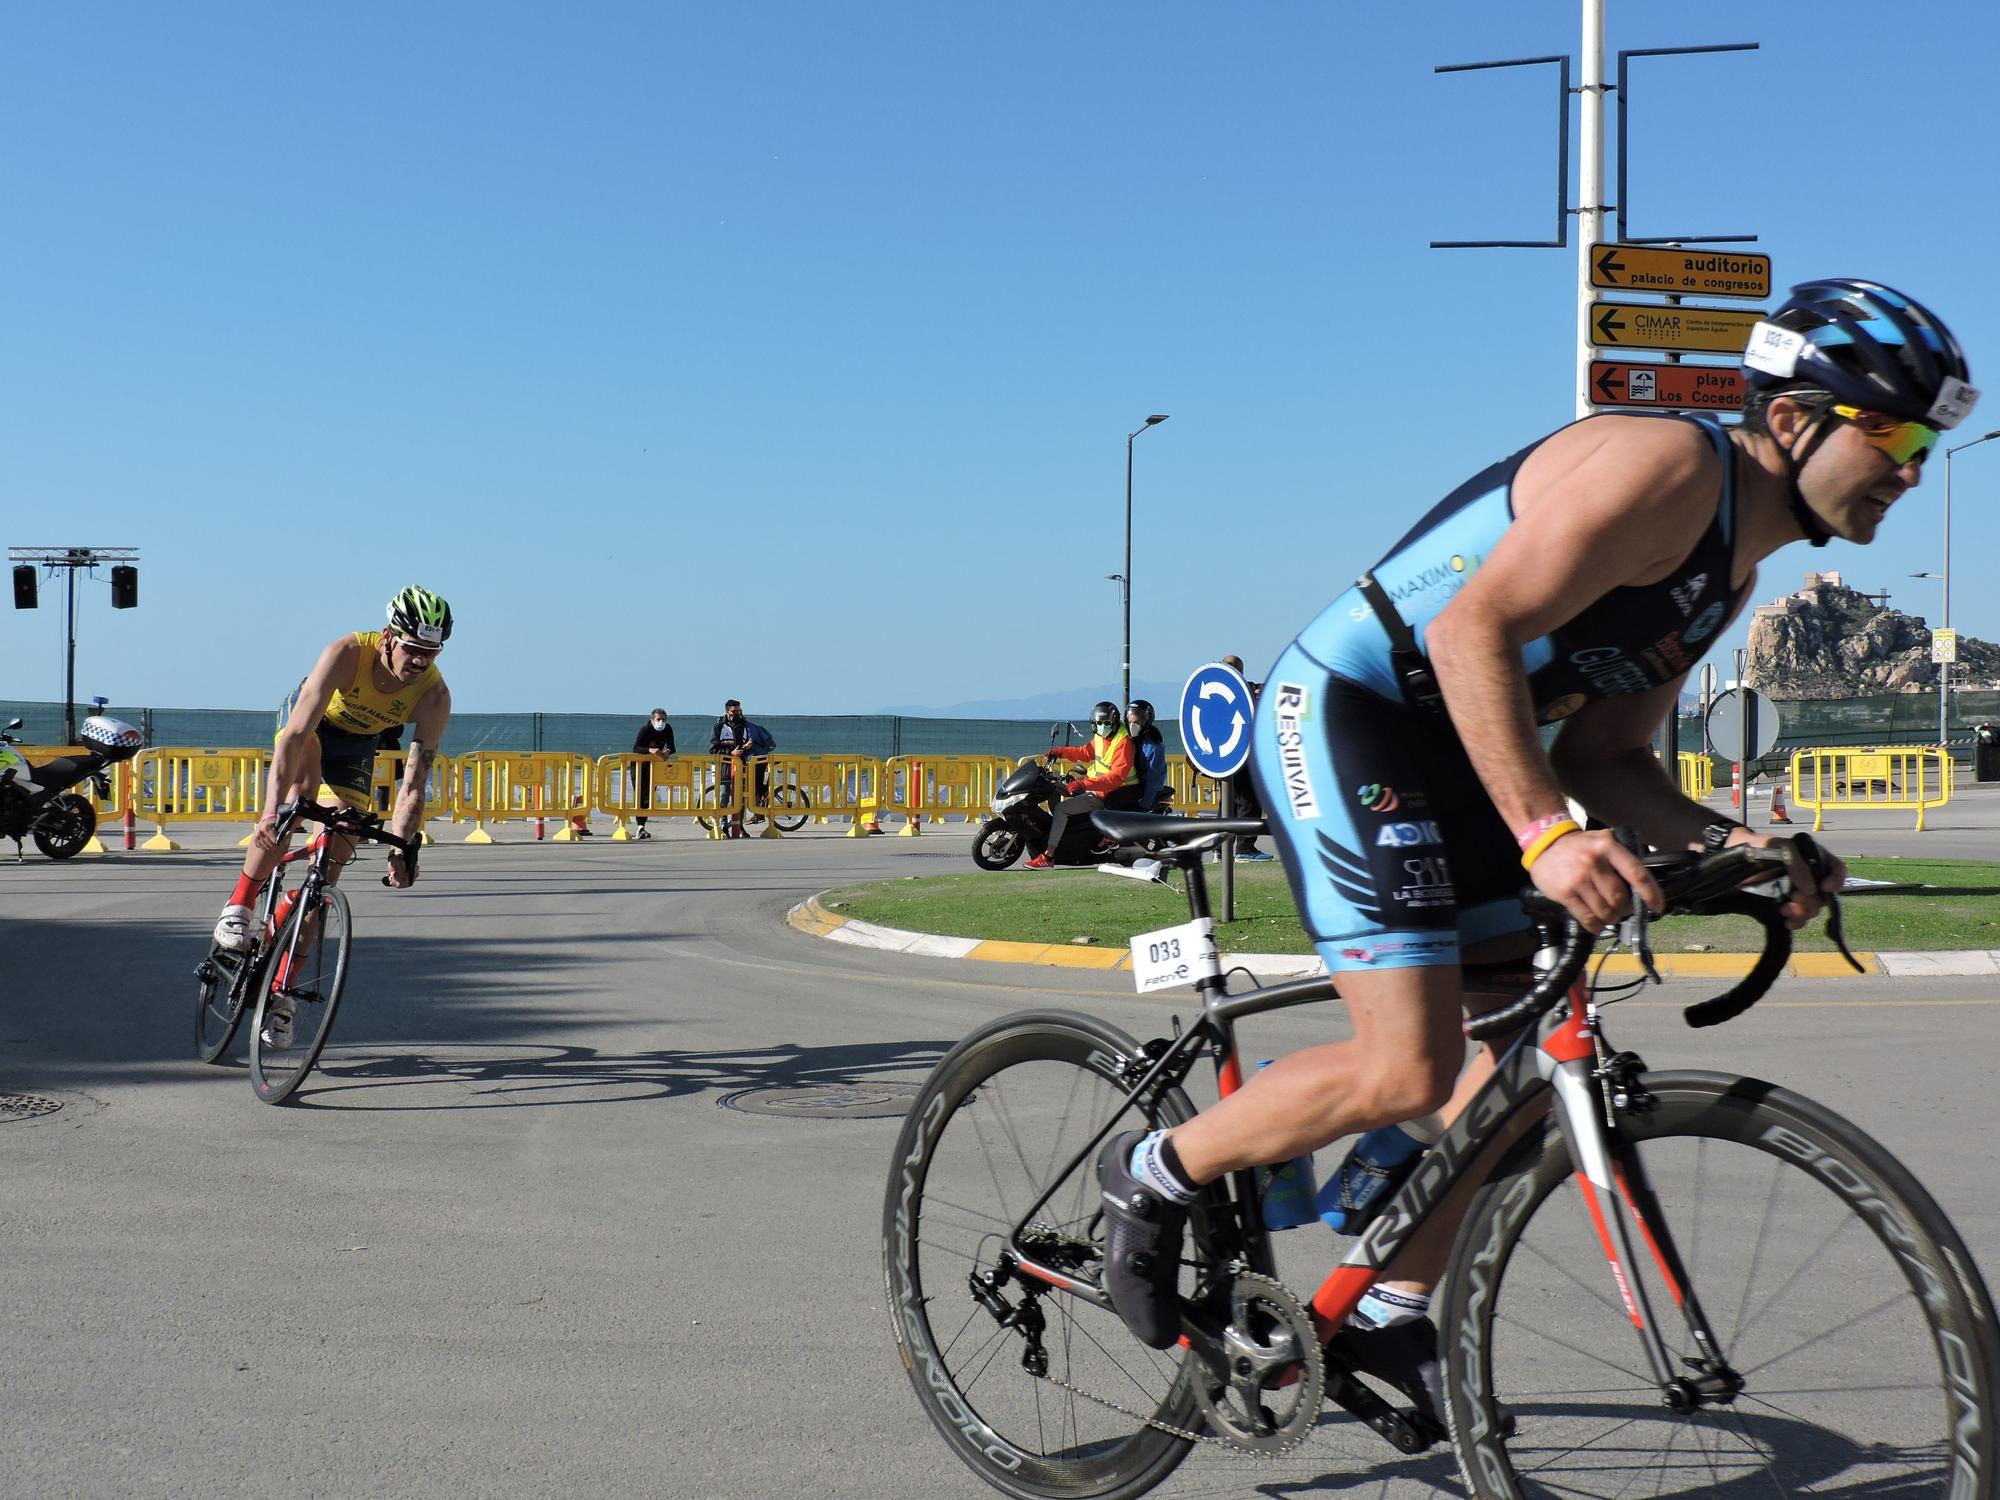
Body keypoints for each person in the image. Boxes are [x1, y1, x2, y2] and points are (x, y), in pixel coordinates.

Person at [1095, 279, 1971, 1422]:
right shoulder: (1665, 472)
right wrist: (1545, 838)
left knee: (1508, 1078)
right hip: (1353, 709)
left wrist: (1743, 844)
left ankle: (1384, 1311)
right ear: (1797, 419)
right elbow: (1469, 631)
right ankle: (1153, 1174)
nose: (1910, 471)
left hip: (1464, 747)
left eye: (1925, 447)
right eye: (1893, 436)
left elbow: (1607, 758)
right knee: (1406, 1067)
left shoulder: (1729, 573)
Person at [211, 586, 454, 1042]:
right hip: (311, 727)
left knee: (340, 849)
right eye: (413, 648)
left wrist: (402, 847)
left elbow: (415, 781)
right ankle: (240, 905)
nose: (420, 661)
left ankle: (281, 992)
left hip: (356, 746)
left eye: (431, 652)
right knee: (298, 800)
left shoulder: (434, 695)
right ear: (388, 636)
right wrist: (270, 811)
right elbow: (294, 736)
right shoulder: (346, 653)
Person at [1024, 700, 1142, 869]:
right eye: (1098, 723)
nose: (1102, 726)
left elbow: (1116, 777)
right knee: (1058, 787)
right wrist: (1060, 752)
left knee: (1062, 809)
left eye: (1106, 723)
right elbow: (1085, 752)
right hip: (1097, 787)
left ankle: (1048, 856)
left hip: (1112, 793)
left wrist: (1084, 785)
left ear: (1114, 722)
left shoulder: (1123, 743)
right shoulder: (1101, 737)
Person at [1221, 654, 1273, 859]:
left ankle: (1220, 849)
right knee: (1247, 800)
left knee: (1228, 803)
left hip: (1224, 757)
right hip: (1243, 755)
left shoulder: (1223, 692)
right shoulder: (1247, 692)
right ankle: (1244, 848)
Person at [709, 700, 777, 838]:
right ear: (727, 711)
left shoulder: (744, 727)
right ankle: (722, 826)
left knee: (741, 800)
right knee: (724, 799)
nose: (737, 714)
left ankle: (739, 827)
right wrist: (730, 753)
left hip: (741, 769)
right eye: (734, 711)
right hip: (725, 770)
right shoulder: (718, 727)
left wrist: (745, 748)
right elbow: (713, 749)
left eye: (739, 711)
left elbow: (742, 748)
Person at [631, 708, 676, 838]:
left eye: (663, 719)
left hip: (654, 765)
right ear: (652, 720)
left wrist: (668, 751)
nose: (661, 722)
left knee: (649, 796)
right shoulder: (645, 729)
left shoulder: (668, 729)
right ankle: (640, 827)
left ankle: (642, 827)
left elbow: (672, 746)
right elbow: (636, 748)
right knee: (640, 794)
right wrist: (649, 750)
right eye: (658, 719)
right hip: (639, 765)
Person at [1127, 699, 1169, 811]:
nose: (1132, 726)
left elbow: (1153, 780)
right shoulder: (1131, 740)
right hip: (1132, 786)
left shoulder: (1153, 747)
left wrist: (1146, 805)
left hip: (1147, 791)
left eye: (1136, 722)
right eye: (1129, 722)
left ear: (1145, 721)